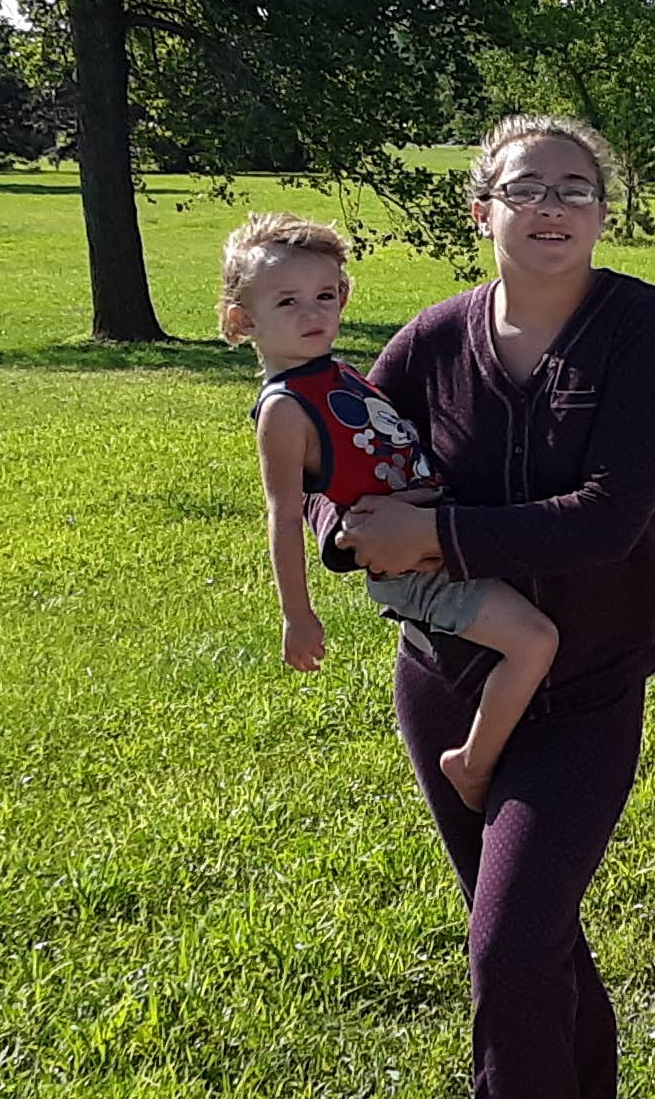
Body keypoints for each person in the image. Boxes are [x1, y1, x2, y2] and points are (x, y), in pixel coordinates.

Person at [336, 115, 655, 1099]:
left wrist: (431, 538)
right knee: (525, 934)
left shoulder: (644, 327)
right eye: (526, 188)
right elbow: (346, 475)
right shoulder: (432, 341)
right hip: (445, 686)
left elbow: (606, 521)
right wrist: (338, 526)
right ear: (481, 208)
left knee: (504, 944)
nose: (552, 207)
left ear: (606, 211)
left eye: (578, 189)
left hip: (585, 690)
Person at [224, 211, 558, 814]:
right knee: (535, 641)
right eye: (288, 302)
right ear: (241, 321)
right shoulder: (282, 410)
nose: (313, 314)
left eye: (325, 296)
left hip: (435, 529)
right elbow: (284, 512)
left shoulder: (336, 372)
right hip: (412, 569)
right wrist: (297, 617)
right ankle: (472, 761)